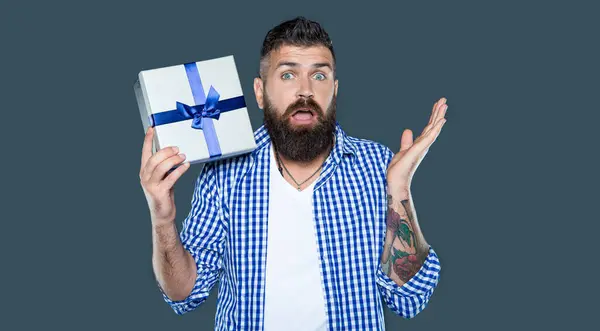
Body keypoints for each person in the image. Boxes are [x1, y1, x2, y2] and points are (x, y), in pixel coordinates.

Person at [139, 16, 447, 331]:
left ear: (335, 89)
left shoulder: (377, 165)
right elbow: (183, 294)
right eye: (287, 75)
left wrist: (399, 189)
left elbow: (411, 298)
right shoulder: (223, 173)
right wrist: (162, 219)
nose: (305, 91)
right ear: (260, 92)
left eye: (319, 75)